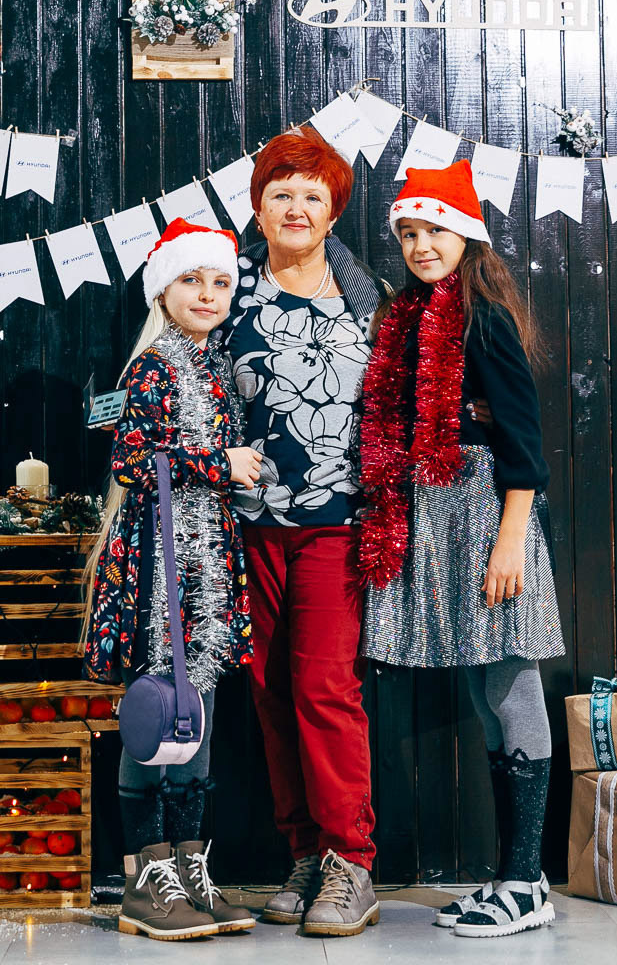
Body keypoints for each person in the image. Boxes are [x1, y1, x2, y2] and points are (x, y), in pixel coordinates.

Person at [359, 161, 566, 938]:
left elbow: (524, 442)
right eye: (409, 233)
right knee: (486, 700)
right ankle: (518, 876)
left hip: (490, 520)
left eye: (434, 230)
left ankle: (525, 883)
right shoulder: (414, 318)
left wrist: (511, 540)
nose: (421, 245)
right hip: (445, 518)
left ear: (467, 235)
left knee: (512, 687)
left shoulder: (483, 318)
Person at [215, 125, 385, 936]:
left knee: (325, 689)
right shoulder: (227, 288)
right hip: (246, 527)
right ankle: (307, 853)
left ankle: (352, 860)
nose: (295, 208)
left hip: (335, 525)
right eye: (280, 193)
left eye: (311, 196)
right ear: (257, 207)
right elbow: (187, 382)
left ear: (332, 212)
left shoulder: (366, 297)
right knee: (270, 691)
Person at [84, 218, 265, 940]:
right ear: (163, 289)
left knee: (199, 712)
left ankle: (189, 870)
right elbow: (132, 460)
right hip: (158, 562)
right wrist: (220, 464)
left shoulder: (214, 366)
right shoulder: (154, 366)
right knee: (157, 710)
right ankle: (143, 879)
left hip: (208, 558)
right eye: (192, 279)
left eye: (220, 282)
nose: (208, 293)